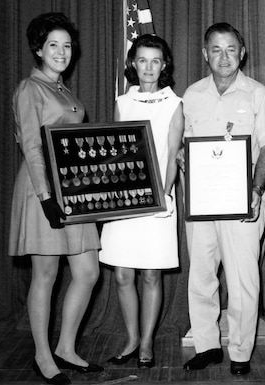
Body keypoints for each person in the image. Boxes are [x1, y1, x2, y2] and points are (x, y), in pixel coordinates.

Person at [181, 22, 265, 375]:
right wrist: (181, 155)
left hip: (244, 202)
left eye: (231, 50)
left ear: (242, 53)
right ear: (205, 54)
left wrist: (256, 190)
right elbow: (184, 145)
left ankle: (240, 351)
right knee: (202, 275)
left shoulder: (258, 95)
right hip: (201, 202)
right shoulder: (191, 96)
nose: (224, 57)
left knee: (243, 280)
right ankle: (207, 346)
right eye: (216, 50)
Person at [8, 12, 103, 385]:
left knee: (88, 271)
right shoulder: (30, 88)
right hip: (41, 189)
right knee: (46, 274)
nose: (62, 52)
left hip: (74, 189)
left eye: (67, 45)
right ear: (38, 49)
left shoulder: (62, 89)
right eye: (53, 45)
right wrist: (47, 196)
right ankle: (43, 356)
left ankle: (66, 347)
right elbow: (32, 146)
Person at [100, 34, 183, 368]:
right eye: (143, 60)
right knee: (122, 275)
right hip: (125, 200)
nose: (149, 67)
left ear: (164, 66)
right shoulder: (123, 101)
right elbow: (118, 152)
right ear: (133, 63)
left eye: (156, 60)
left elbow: (172, 153)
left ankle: (147, 343)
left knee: (150, 275)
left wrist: (161, 195)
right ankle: (131, 338)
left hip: (158, 200)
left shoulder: (174, 102)